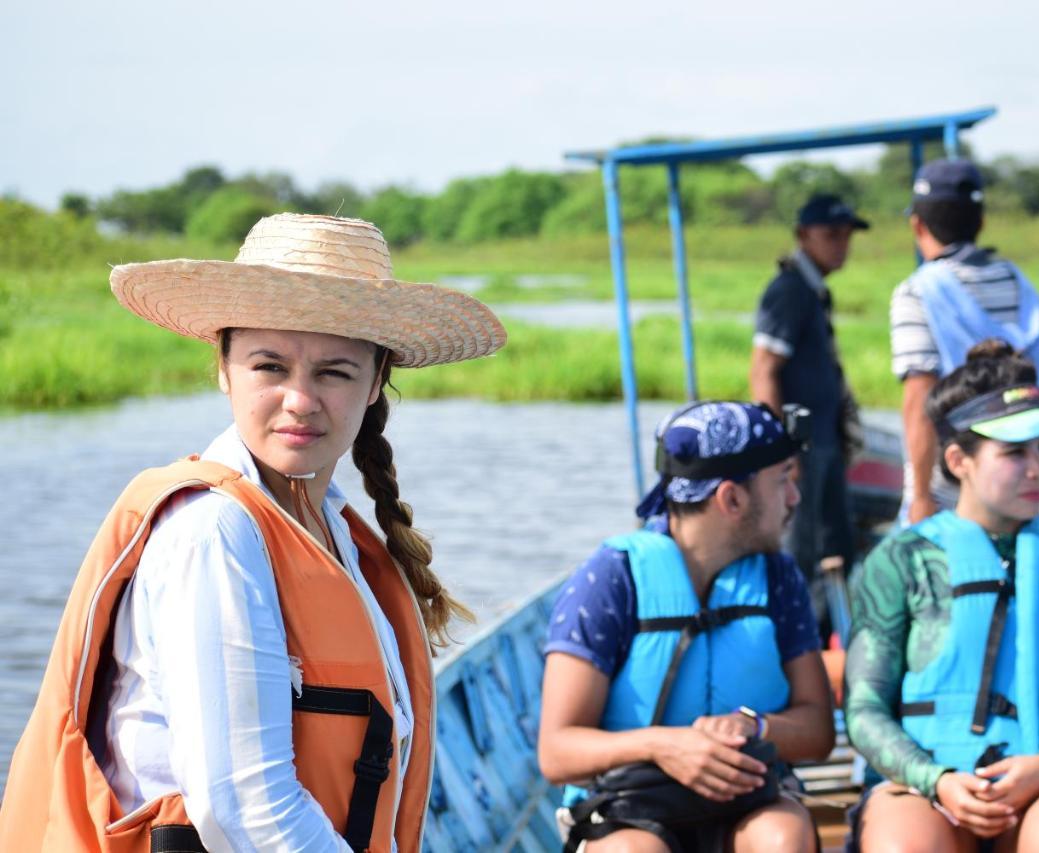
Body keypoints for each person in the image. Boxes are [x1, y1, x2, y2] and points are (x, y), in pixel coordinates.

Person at [0, 214, 506, 851]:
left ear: (376, 382)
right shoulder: (212, 533)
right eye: (269, 366)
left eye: (335, 372)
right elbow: (244, 805)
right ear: (224, 367)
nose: (299, 399)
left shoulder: (333, 530)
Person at [843, 339, 1039, 852]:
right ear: (959, 460)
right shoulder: (900, 561)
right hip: (925, 783)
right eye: (1015, 453)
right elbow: (865, 709)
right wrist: (934, 779)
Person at [538, 401, 836, 852]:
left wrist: (752, 726)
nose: (794, 498)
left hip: (746, 802)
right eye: (782, 481)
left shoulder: (779, 578)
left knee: (783, 837)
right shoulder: (609, 580)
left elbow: (818, 732)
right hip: (628, 808)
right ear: (732, 499)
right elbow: (557, 752)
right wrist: (665, 746)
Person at [890, 159, 1039, 525]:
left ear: (917, 225)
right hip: (1014, 472)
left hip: (955, 474)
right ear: (981, 222)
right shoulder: (1013, 279)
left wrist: (921, 497)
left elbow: (919, 398)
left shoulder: (917, 292)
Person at [750, 193, 871, 628]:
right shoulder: (789, 291)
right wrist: (781, 451)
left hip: (822, 441)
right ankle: (798, 648)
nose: (841, 244)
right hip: (801, 447)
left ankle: (823, 644)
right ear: (803, 236)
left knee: (833, 546)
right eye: (831, 235)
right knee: (801, 553)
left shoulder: (813, 291)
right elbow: (763, 370)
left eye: (846, 236)